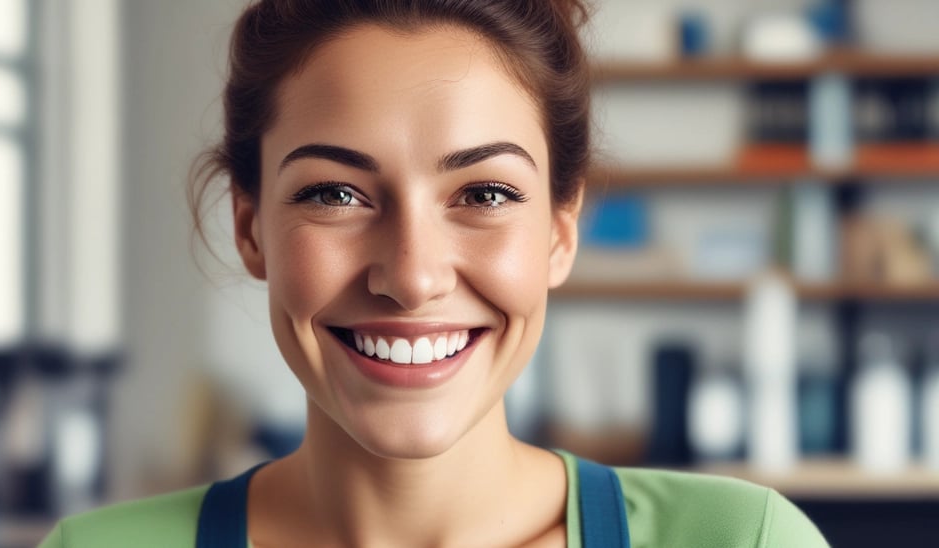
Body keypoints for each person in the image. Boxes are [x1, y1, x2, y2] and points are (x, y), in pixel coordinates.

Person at [41, 1, 829, 546]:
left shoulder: (746, 541)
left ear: (559, 232)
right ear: (252, 227)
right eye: (335, 194)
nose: (413, 277)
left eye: (484, 194)